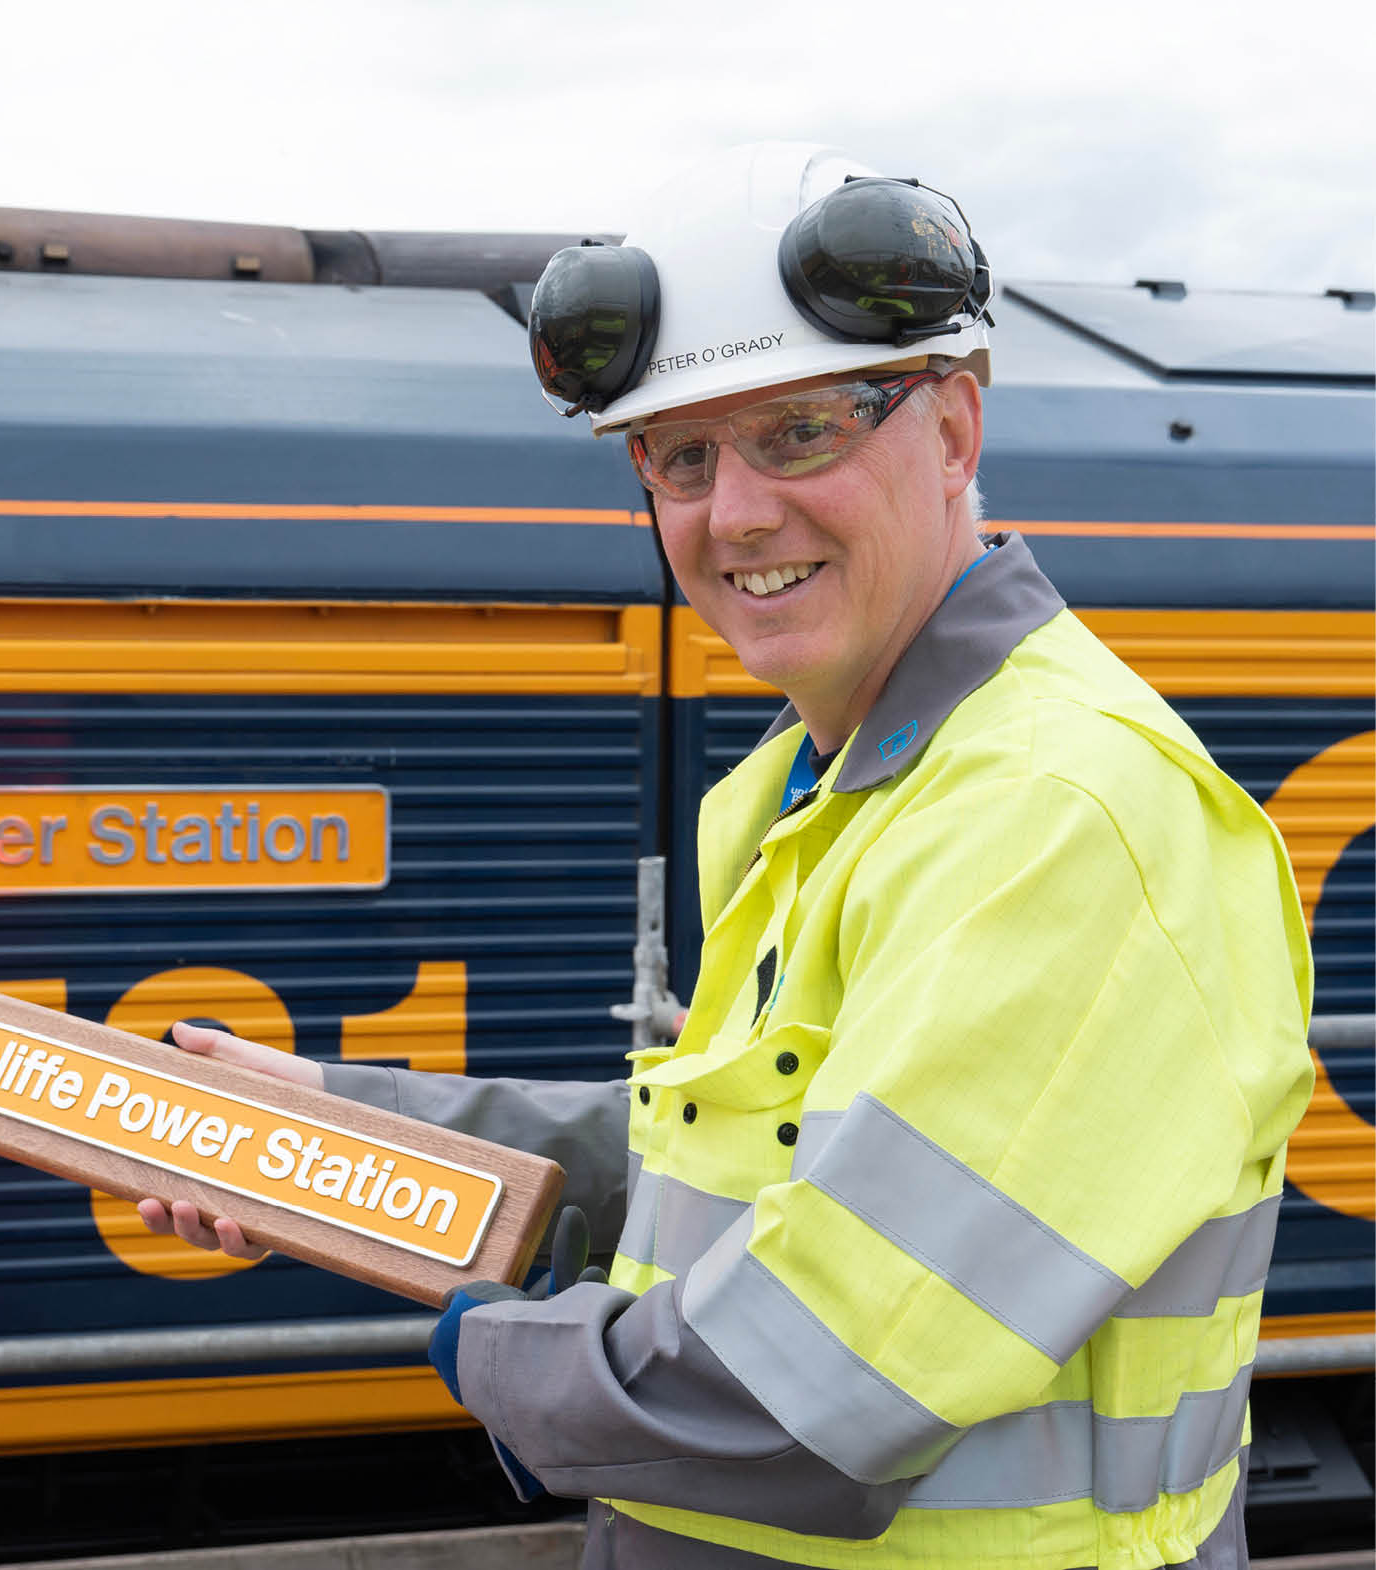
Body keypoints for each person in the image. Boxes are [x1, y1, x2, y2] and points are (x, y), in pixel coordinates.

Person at [142, 143, 1313, 1570]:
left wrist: (488, 1350)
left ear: (952, 430)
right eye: (682, 455)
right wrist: (333, 1127)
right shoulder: (822, 784)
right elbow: (729, 1167)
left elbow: (807, 1394)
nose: (735, 512)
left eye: (800, 430)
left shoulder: (1062, 814)